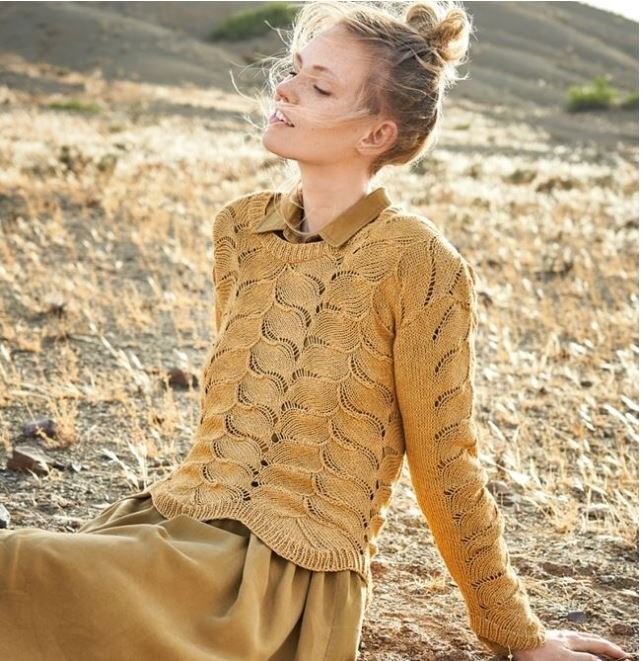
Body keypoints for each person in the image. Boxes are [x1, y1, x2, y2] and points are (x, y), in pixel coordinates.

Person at [0, 2, 632, 660]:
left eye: (321, 86)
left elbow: (447, 464)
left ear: (376, 134)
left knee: (15, 565)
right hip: (167, 528)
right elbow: (236, 416)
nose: (285, 88)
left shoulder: (419, 261)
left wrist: (518, 634)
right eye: (295, 70)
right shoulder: (240, 230)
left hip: (270, 579)